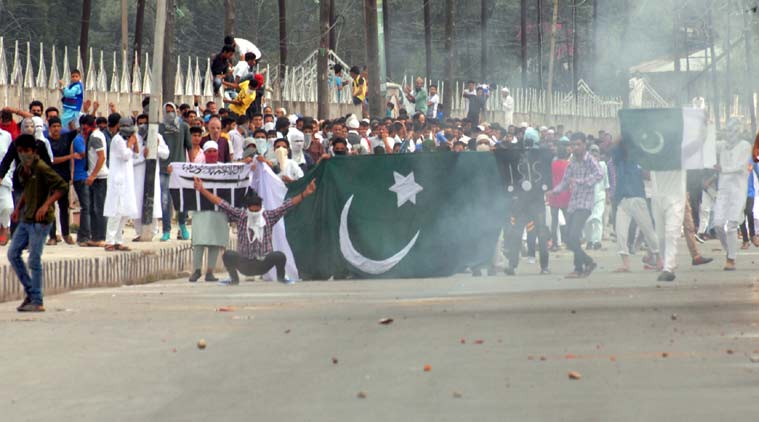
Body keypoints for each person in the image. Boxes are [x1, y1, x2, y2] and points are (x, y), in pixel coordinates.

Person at [193, 175, 317, 285]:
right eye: (251, 210)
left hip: (263, 264)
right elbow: (221, 203)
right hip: (244, 263)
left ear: (261, 208)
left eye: (256, 210)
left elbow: (288, 205)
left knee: (279, 256)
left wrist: (305, 193)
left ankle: (281, 278)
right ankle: (234, 279)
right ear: (247, 209)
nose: (254, 213)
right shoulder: (241, 216)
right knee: (228, 255)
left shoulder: (269, 216)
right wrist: (202, 189)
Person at [8, 134, 68, 312]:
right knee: (13, 254)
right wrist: (18, 208)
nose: (23, 154)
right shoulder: (22, 169)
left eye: (26, 151)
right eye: (20, 151)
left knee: (34, 258)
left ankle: (37, 299)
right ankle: (31, 292)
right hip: (27, 218)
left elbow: (62, 186)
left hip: (41, 221)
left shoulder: (41, 167)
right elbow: (27, 190)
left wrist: (46, 205)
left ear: (33, 151)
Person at [548, 133, 603, 278]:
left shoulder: (589, 160)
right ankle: (583, 265)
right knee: (568, 238)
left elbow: (599, 175)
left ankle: (583, 265)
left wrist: (581, 181)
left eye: (578, 144)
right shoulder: (571, 162)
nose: (575, 148)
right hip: (573, 203)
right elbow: (565, 181)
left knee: (573, 236)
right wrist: (554, 192)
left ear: (585, 145)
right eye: (573, 145)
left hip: (585, 203)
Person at [611, 140, 661, 272]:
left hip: (637, 198)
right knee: (620, 232)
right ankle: (626, 264)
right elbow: (615, 146)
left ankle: (660, 260)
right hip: (623, 199)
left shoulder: (639, 160)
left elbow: (649, 175)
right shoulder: (619, 160)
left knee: (648, 230)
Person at [712, 119, 752, 271]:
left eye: (733, 131)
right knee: (717, 224)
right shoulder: (722, 145)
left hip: (738, 190)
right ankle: (729, 250)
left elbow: (740, 166)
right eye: (728, 131)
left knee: (733, 224)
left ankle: (731, 259)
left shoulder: (745, 146)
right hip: (723, 189)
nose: (730, 134)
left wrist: (723, 169)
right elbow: (707, 145)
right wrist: (704, 127)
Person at [103, 118, 139, 252]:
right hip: (117, 181)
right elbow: (125, 155)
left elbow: (136, 155)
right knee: (116, 211)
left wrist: (134, 143)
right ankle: (109, 241)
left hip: (127, 181)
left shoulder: (126, 140)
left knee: (125, 211)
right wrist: (130, 144)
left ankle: (118, 240)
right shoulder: (117, 140)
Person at [133, 116, 170, 240]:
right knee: (137, 203)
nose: (143, 126)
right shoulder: (134, 138)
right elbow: (130, 158)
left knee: (153, 203)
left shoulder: (157, 136)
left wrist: (155, 148)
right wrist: (143, 155)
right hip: (138, 175)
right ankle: (139, 232)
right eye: (140, 123)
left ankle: (152, 231)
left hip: (152, 175)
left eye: (145, 123)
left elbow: (166, 154)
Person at [159, 103, 192, 241]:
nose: (170, 113)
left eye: (172, 111)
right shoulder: (160, 127)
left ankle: (182, 225)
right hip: (164, 168)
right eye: (167, 111)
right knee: (165, 200)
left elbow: (189, 147)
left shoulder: (184, 126)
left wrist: (190, 166)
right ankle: (166, 230)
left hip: (180, 168)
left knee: (182, 200)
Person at [47, 117, 79, 245]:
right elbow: (52, 160)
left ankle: (66, 234)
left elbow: (76, 130)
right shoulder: (46, 142)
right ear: (49, 128)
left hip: (63, 178)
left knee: (64, 207)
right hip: (49, 179)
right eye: (53, 126)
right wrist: (70, 157)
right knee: (50, 208)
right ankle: (52, 236)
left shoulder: (66, 138)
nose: (56, 129)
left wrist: (71, 117)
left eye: (58, 126)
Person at [584, 144, 609, 250]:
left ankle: (597, 241)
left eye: (596, 154)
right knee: (588, 221)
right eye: (592, 154)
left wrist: (607, 197)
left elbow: (606, 182)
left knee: (597, 218)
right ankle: (589, 241)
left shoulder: (603, 165)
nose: (594, 157)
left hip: (600, 197)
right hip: (587, 198)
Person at [549, 145, 570, 251]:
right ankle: (568, 241)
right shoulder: (568, 164)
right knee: (568, 219)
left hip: (554, 194)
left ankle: (555, 243)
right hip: (566, 195)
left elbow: (550, 178)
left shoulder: (553, 164)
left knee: (554, 221)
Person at [0, 127, 12, 245]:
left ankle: (4, 227)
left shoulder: (6, 136)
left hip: (3, 178)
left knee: (7, 206)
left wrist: (7, 175)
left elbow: (10, 158)